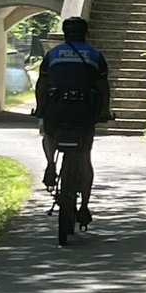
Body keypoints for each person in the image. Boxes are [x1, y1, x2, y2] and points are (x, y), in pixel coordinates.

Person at [34, 16, 112, 226]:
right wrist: (104, 111)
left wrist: (40, 108)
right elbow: (103, 86)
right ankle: (84, 205)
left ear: (65, 34)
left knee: (48, 133)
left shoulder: (53, 54)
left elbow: (42, 84)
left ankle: (51, 163)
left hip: (57, 108)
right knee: (84, 157)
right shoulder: (95, 55)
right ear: (85, 33)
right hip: (84, 111)